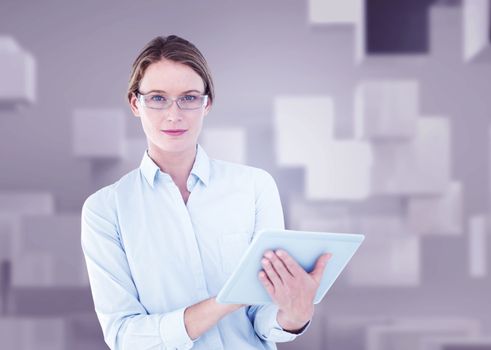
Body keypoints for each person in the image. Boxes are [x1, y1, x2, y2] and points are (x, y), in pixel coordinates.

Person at [80, 34, 331, 350]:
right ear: (135, 103)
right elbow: (124, 336)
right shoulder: (106, 209)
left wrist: (295, 313)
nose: (174, 114)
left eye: (189, 98)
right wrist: (226, 301)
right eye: (157, 98)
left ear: (207, 103)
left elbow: (264, 319)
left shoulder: (254, 186)